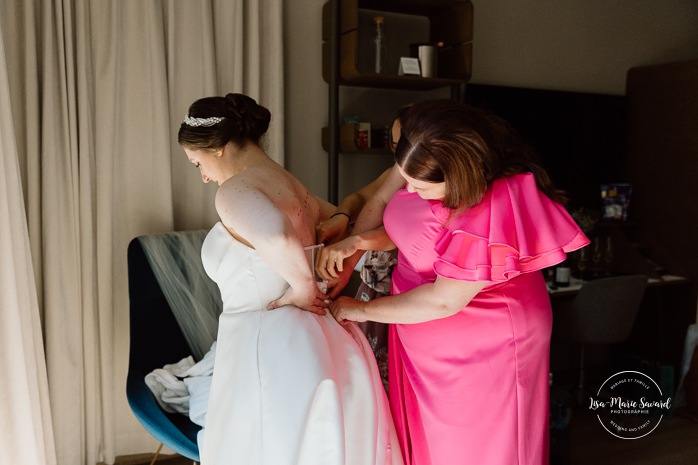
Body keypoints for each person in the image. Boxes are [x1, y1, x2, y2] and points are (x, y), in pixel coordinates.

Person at [321, 99, 590, 465]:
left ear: (459, 175)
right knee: (428, 440)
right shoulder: (423, 158)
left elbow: (444, 300)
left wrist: (362, 309)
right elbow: (418, 227)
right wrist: (361, 241)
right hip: (421, 329)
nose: (410, 192)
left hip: (483, 338)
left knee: (472, 448)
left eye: (422, 188)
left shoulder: (493, 206)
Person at [177, 93, 403, 465]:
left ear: (216, 148)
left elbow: (277, 237)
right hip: (319, 335)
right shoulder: (295, 187)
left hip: (269, 339)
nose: (202, 175)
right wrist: (343, 223)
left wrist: (301, 288)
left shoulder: (234, 189)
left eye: (196, 162)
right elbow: (341, 227)